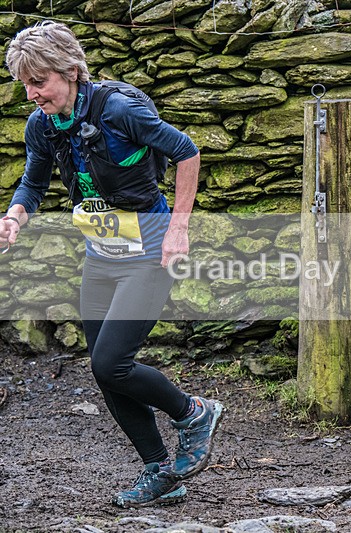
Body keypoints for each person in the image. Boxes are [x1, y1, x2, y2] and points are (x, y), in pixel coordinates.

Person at [1, 21, 223, 508]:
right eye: (25, 85)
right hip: (101, 257)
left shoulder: (119, 110)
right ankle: (161, 473)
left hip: (150, 251)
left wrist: (181, 229)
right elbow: (33, 181)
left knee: (110, 361)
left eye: (40, 82)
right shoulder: (41, 124)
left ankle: (194, 412)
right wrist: (15, 215)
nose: (33, 93)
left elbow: (187, 151)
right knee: (106, 372)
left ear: (70, 71)